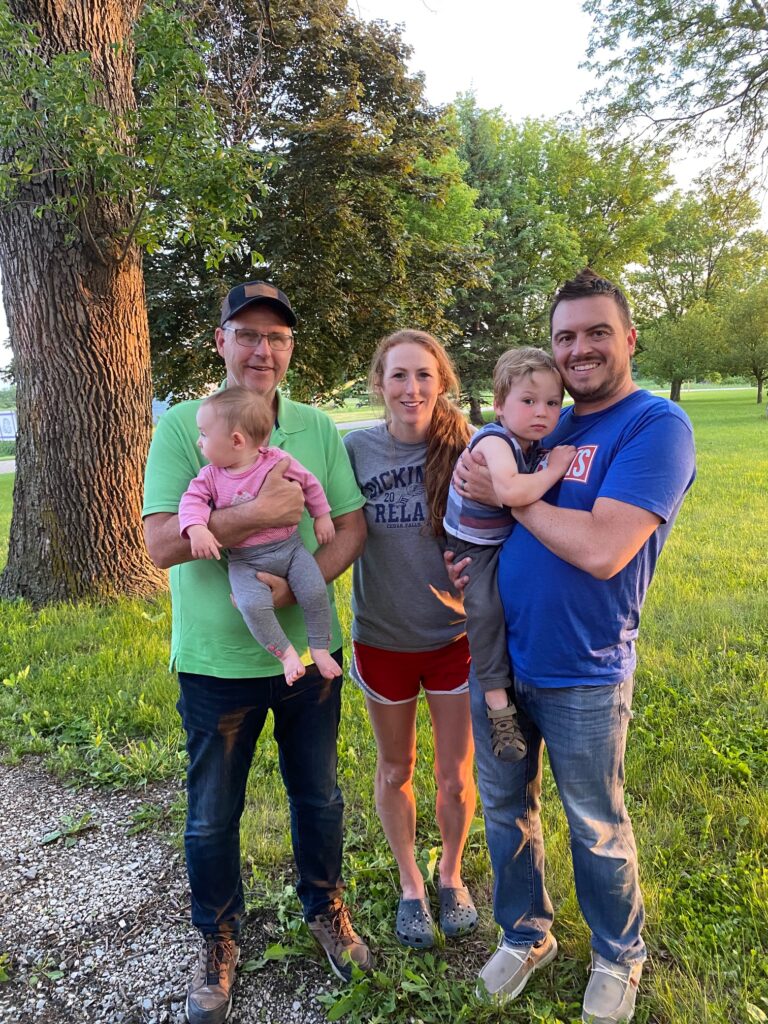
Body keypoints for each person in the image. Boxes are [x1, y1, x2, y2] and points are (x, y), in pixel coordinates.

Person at [452, 270, 695, 1024]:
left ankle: (619, 953)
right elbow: (483, 488)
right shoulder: (546, 423)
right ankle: (526, 933)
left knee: (594, 819)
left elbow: (601, 551)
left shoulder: (653, 426)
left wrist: (509, 504)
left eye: (596, 332)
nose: (580, 348)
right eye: (566, 337)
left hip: (584, 668)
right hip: (502, 662)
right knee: (503, 806)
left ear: (628, 338)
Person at [142, 281, 372, 1024]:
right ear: (221, 342)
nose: (262, 349)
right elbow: (159, 544)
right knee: (213, 814)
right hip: (215, 662)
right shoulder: (186, 426)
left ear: (289, 348)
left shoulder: (314, 427)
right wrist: (257, 516)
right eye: (247, 333)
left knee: (320, 797)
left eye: (276, 337)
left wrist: (294, 591)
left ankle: (325, 910)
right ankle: (217, 939)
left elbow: (350, 526)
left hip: (306, 656)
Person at [343, 329, 478, 950]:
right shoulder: (354, 451)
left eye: (424, 375)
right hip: (382, 638)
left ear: (441, 382)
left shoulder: (468, 448)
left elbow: (500, 524)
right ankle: (410, 887)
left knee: (455, 775)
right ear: (379, 384)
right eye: (398, 376)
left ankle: (449, 875)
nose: (411, 388)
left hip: (455, 636)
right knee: (396, 766)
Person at [444, 348, 576, 762]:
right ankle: (499, 707)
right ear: (499, 406)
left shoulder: (529, 440)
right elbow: (513, 493)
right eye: (528, 401)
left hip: (499, 536)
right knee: (483, 610)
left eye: (553, 403)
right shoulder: (496, 441)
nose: (542, 412)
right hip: (475, 546)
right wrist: (554, 469)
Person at [178, 385, 341, 684]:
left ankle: (319, 647)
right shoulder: (210, 476)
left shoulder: (276, 461)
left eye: (203, 434)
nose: (198, 441)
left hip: (291, 551)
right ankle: (287, 654)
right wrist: (196, 528)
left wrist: (322, 515)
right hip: (245, 561)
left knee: (315, 590)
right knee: (251, 606)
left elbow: (309, 483)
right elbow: (191, 502)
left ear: (236, 440)